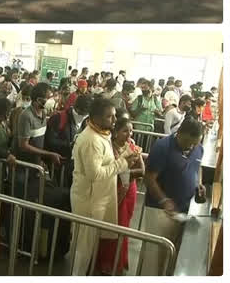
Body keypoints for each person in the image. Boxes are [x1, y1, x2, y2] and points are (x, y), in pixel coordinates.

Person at [70, 98, 139, 275]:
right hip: (89, 201)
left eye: (114, 116)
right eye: (110, 117)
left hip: (98, 199)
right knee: (83, 250)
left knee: (90, 246)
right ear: (95, 117)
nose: (114, 121)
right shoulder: (91, 140)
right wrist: (122, 163)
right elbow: (95, 174)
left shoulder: (102, 134)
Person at [141, 117, 205, 275]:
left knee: (170, 256)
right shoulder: (163, 147)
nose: (191, 147)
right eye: (188, 143)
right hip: (159, 211)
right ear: (179, 133)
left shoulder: (198, 148)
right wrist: (164, 200)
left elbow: (198, 166)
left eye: (195, 144)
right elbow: (149, 177)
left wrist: (199, 183)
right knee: (153, 257)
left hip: (182, 210)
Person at [95, 116, 145, 275]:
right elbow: (106, 172)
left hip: (129, 191)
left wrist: (124, 171)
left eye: (131, 130)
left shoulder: (132, 146)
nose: (129, 134)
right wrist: (125, 170)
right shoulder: (108, 148)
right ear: (115, 132)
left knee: (124, 226)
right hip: (112, 190)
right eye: (125, 131)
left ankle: (118, 261)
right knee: (111, 226)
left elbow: (142, 171)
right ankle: (106, 263)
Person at [15, 83, 63, 168]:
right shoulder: (26, 116)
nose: (52, 100)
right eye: (48, 97)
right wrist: (49, 154)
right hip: (24, 165)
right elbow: (23, 145)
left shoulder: (43, 113)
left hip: (36, 164)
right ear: (38, 100)